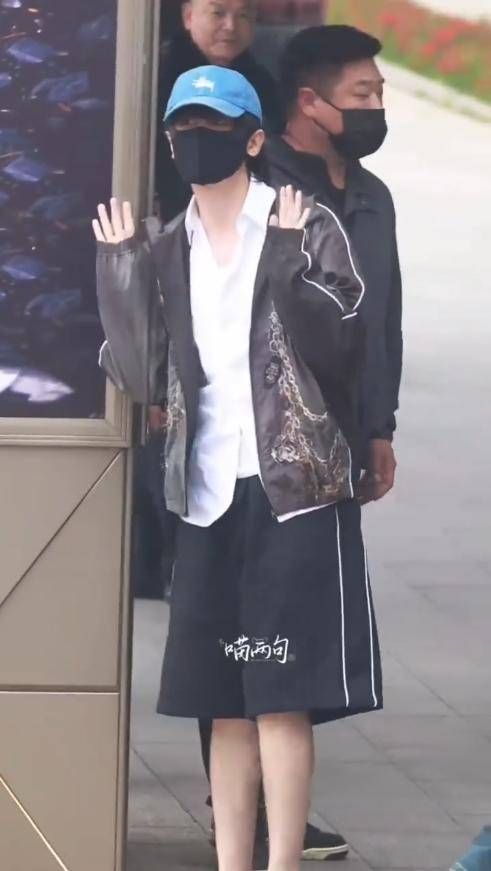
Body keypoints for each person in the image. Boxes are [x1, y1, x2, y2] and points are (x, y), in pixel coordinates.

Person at [94, 65, 382, 871]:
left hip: (294, 489)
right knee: (223, 701)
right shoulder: (163, 244)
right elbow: (142, 374)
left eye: (213, 127)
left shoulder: (303, 223)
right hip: (205, 493)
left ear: (253, 139)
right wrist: (119, 273)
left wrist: (286, 259)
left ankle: (280, 861)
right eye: (183, 128)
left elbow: (341, 348)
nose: (196, 140)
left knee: (280, 698)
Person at [268, 24, 403, 499]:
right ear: (309, 102)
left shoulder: (374, 196)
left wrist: (379, 428)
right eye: (362, 95)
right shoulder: (260, 186)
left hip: (351, 434)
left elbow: (384, 319)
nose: (376, 108)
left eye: (379, 93)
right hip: (275, 441)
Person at [155, 0, 284, 221]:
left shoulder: (261, 83)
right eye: (217, 13)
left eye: (243, 15)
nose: (230, 26)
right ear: (188, 16)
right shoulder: (157, 77)